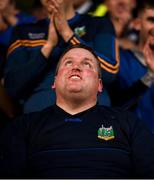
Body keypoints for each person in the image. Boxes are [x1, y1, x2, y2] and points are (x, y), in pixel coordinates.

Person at [0, 44, 154, 178]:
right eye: (68, 63)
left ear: (99, 85)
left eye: (87, 64)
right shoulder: (24, 126)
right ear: (54, 82)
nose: (76, 67)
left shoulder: (128, 123)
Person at [3, 0, 119, 114]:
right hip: (40, 120)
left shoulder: (98, 24)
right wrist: (48, 47)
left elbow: (110, 73)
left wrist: (67, 33)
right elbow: (12, 87)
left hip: (91, 118)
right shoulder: (23, 31)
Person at [108, 0, 154, 133]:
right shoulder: (118, 59)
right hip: (133, 146)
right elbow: (114, 108)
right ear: (137, 24)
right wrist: (149, 76)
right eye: (152, 20)